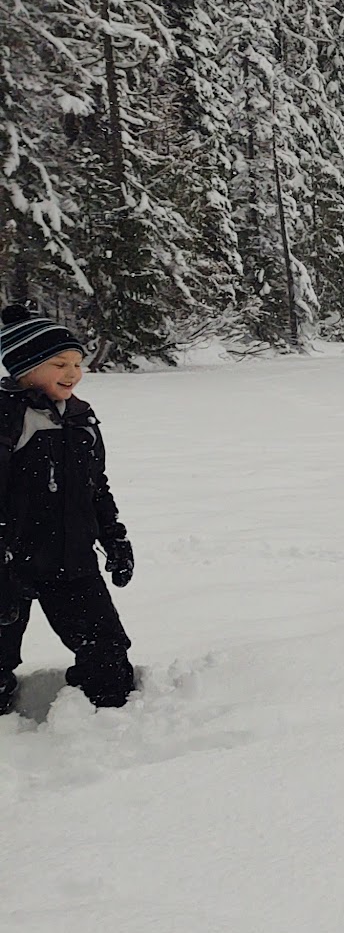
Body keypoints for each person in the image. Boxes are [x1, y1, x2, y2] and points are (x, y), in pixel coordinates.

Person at [0, 303, 137, 715]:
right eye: (60, 363)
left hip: (70, 561)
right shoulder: (6, 419)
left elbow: (96, 487)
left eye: (78, 363)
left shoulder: (80, 418)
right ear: (25, 366)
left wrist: (114, 538)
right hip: (9, 562)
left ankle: (102, 726)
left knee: (110, 665)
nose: (73, 372)